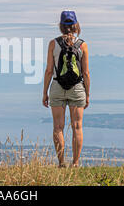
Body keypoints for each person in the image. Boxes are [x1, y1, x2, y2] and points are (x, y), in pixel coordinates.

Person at [42, 10, 90, 168]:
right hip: (77, 88)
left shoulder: (53, 44)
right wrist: (87, 94)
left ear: (61, 26)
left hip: (57, 86)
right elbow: (86, 72)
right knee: (77, 126)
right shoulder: (82, 45)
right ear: (76, 25)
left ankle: (61, 163)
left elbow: (49, 70)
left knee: (58, 127)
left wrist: (45, 92)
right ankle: (75, 163)